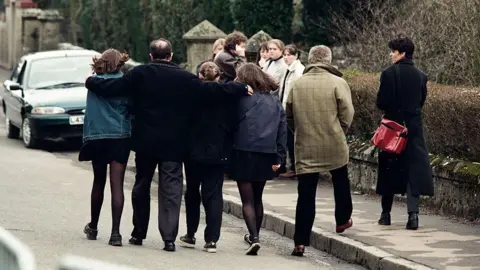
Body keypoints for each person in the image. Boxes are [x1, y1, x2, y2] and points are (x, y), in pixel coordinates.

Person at [85, 39, 252, 252]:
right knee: (171, 190)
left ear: (151, 56)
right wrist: (240, 87)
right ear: (171, 56)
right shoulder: (185, 77)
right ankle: (169, 238)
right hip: (175, 143)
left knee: (141, 187)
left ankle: (138, 233)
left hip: (145, 142)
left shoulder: (140, 74)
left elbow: (113, 86)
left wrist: (91, 82)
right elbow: (213, 91)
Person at [286, 45, 355, 257]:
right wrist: (338, 130)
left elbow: (288, 115)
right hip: (333, 142)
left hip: (306, 145)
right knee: (341, 181)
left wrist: (300, 131)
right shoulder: (338, 82)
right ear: (329, 60)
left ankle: (300, 241)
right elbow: (347, 114)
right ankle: (342, 219)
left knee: (305, 195)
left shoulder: (298, 84)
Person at [375, 34, 434, 230]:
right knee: (413, 170)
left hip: (394, 127)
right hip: (414, 128)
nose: (390, 55)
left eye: (393, 51)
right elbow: (421, 102)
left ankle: (386, 214)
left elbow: (381, 102)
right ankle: (413, 215)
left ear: (402, 53)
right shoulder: (421, 75)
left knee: (389, 169)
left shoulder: (388, 74)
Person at [229, 63, 287, 255]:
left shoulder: (239, 99)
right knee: (258, 198)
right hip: (266, 152)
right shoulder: (274, 102)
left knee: (247, 199)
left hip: (242, 151)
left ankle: (253, 237)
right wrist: (280, 156)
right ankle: (256, 235)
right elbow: (282, 131)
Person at [179, 62, 237, 253]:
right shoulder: (228, 95)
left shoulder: (190, 94)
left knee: (193, 192)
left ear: (201, 76)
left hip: (193, 152)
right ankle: (212, 239)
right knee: (213, 194)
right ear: (219, 76)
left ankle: (190, 233)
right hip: (218, 152)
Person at [80, 49, 132, 247]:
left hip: (97, 136)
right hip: (119, 136)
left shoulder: (93, 83)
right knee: (117, 184)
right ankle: (116, 234)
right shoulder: (126, 84)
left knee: (98, 181)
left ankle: (93, 227)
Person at [277, 44, 305, 179]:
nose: (286, 57)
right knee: (287, 140)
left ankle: (295, 167)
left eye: (289, 55)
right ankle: (292, 167)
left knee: (291, 140)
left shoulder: (298, 70)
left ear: (296, 56)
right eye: (285, 55)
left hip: (292, 111)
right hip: (284, 109)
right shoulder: (287, 69)